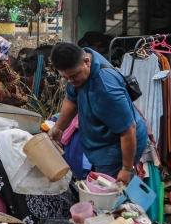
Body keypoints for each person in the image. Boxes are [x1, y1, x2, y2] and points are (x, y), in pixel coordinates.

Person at [46, 42, 148, 186]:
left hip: (117, 149)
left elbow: (128, 129)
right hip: (102, 144)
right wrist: (59, 127)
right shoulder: (84, 58)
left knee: (107, 196)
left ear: (87, 62)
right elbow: (72, 98)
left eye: (73, 76)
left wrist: (126, 169)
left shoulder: (106, 88)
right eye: (65, 77)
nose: (70, 81)